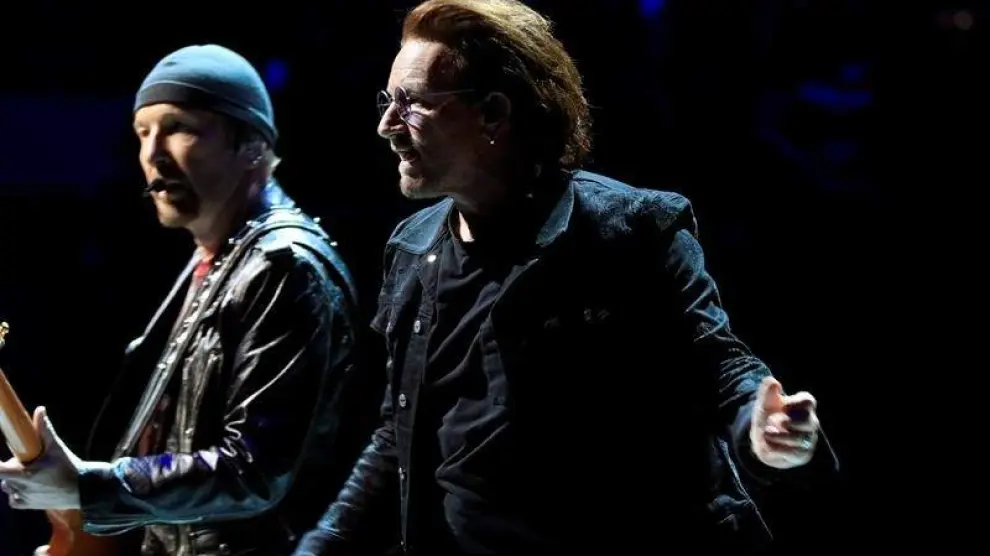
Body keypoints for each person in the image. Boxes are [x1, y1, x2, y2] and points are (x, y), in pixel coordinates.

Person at [292, 1, 840, 555]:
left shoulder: (630, 233)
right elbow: (398, 436)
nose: (387, 125)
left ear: (493, 113)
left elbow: (720, 369)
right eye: (388, 101)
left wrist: (766, 431)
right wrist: (323, 544)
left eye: (412, 103)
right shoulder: (412, 249)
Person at [0, 44, 363, 556]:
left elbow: (251, 468)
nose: (153, 154)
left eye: (179, 128)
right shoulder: (216, 258)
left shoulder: (284, 267)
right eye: (142, 132)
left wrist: (91, 486)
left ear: (252, 145)